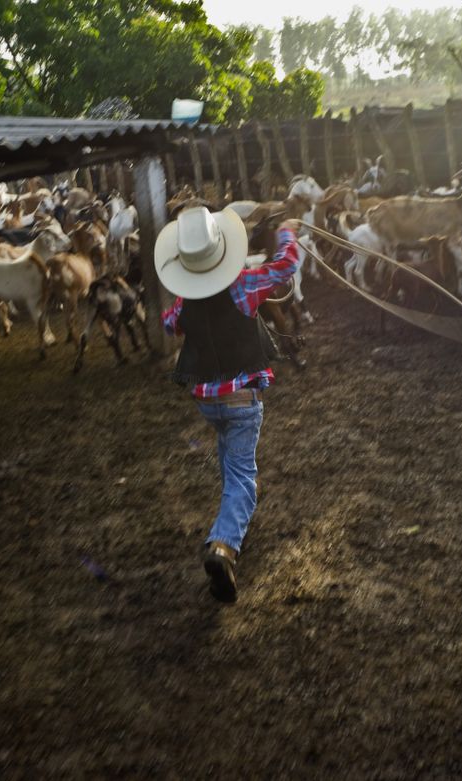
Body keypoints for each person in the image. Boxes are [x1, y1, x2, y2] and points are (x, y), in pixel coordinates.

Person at [154, 206, 302, 603]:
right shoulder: (245, 286)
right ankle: (222, 547)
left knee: (229, 465)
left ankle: (225, 528)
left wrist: (186, 297)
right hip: (241, 397)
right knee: (242, 478)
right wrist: (287, 231)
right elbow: (286, 265)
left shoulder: (186, 303)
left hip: (207, 400)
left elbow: (170, 324)